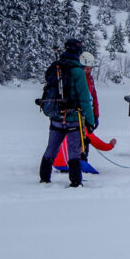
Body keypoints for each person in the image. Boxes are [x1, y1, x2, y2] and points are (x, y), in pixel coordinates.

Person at [38, 39, 97, 187]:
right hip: (73, 118)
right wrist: (90, 121)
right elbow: (85, 99)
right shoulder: (78, 71)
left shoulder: (55, 67)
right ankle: (75, 182)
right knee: (74, 151)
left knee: (51, 148)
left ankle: (44, 178)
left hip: (56, 116)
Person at [53, 51, 116, 173]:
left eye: (90, 68)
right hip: (78, 115)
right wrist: (110, 145)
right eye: (86, 68)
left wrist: (95, 115)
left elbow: (93, 98)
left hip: (86, 114)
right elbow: (82, 99)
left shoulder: (90, 79)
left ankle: (79, 161)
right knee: (81, 138)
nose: (88, 71)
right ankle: (77, 162)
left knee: (84, 140)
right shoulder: (76, 77)